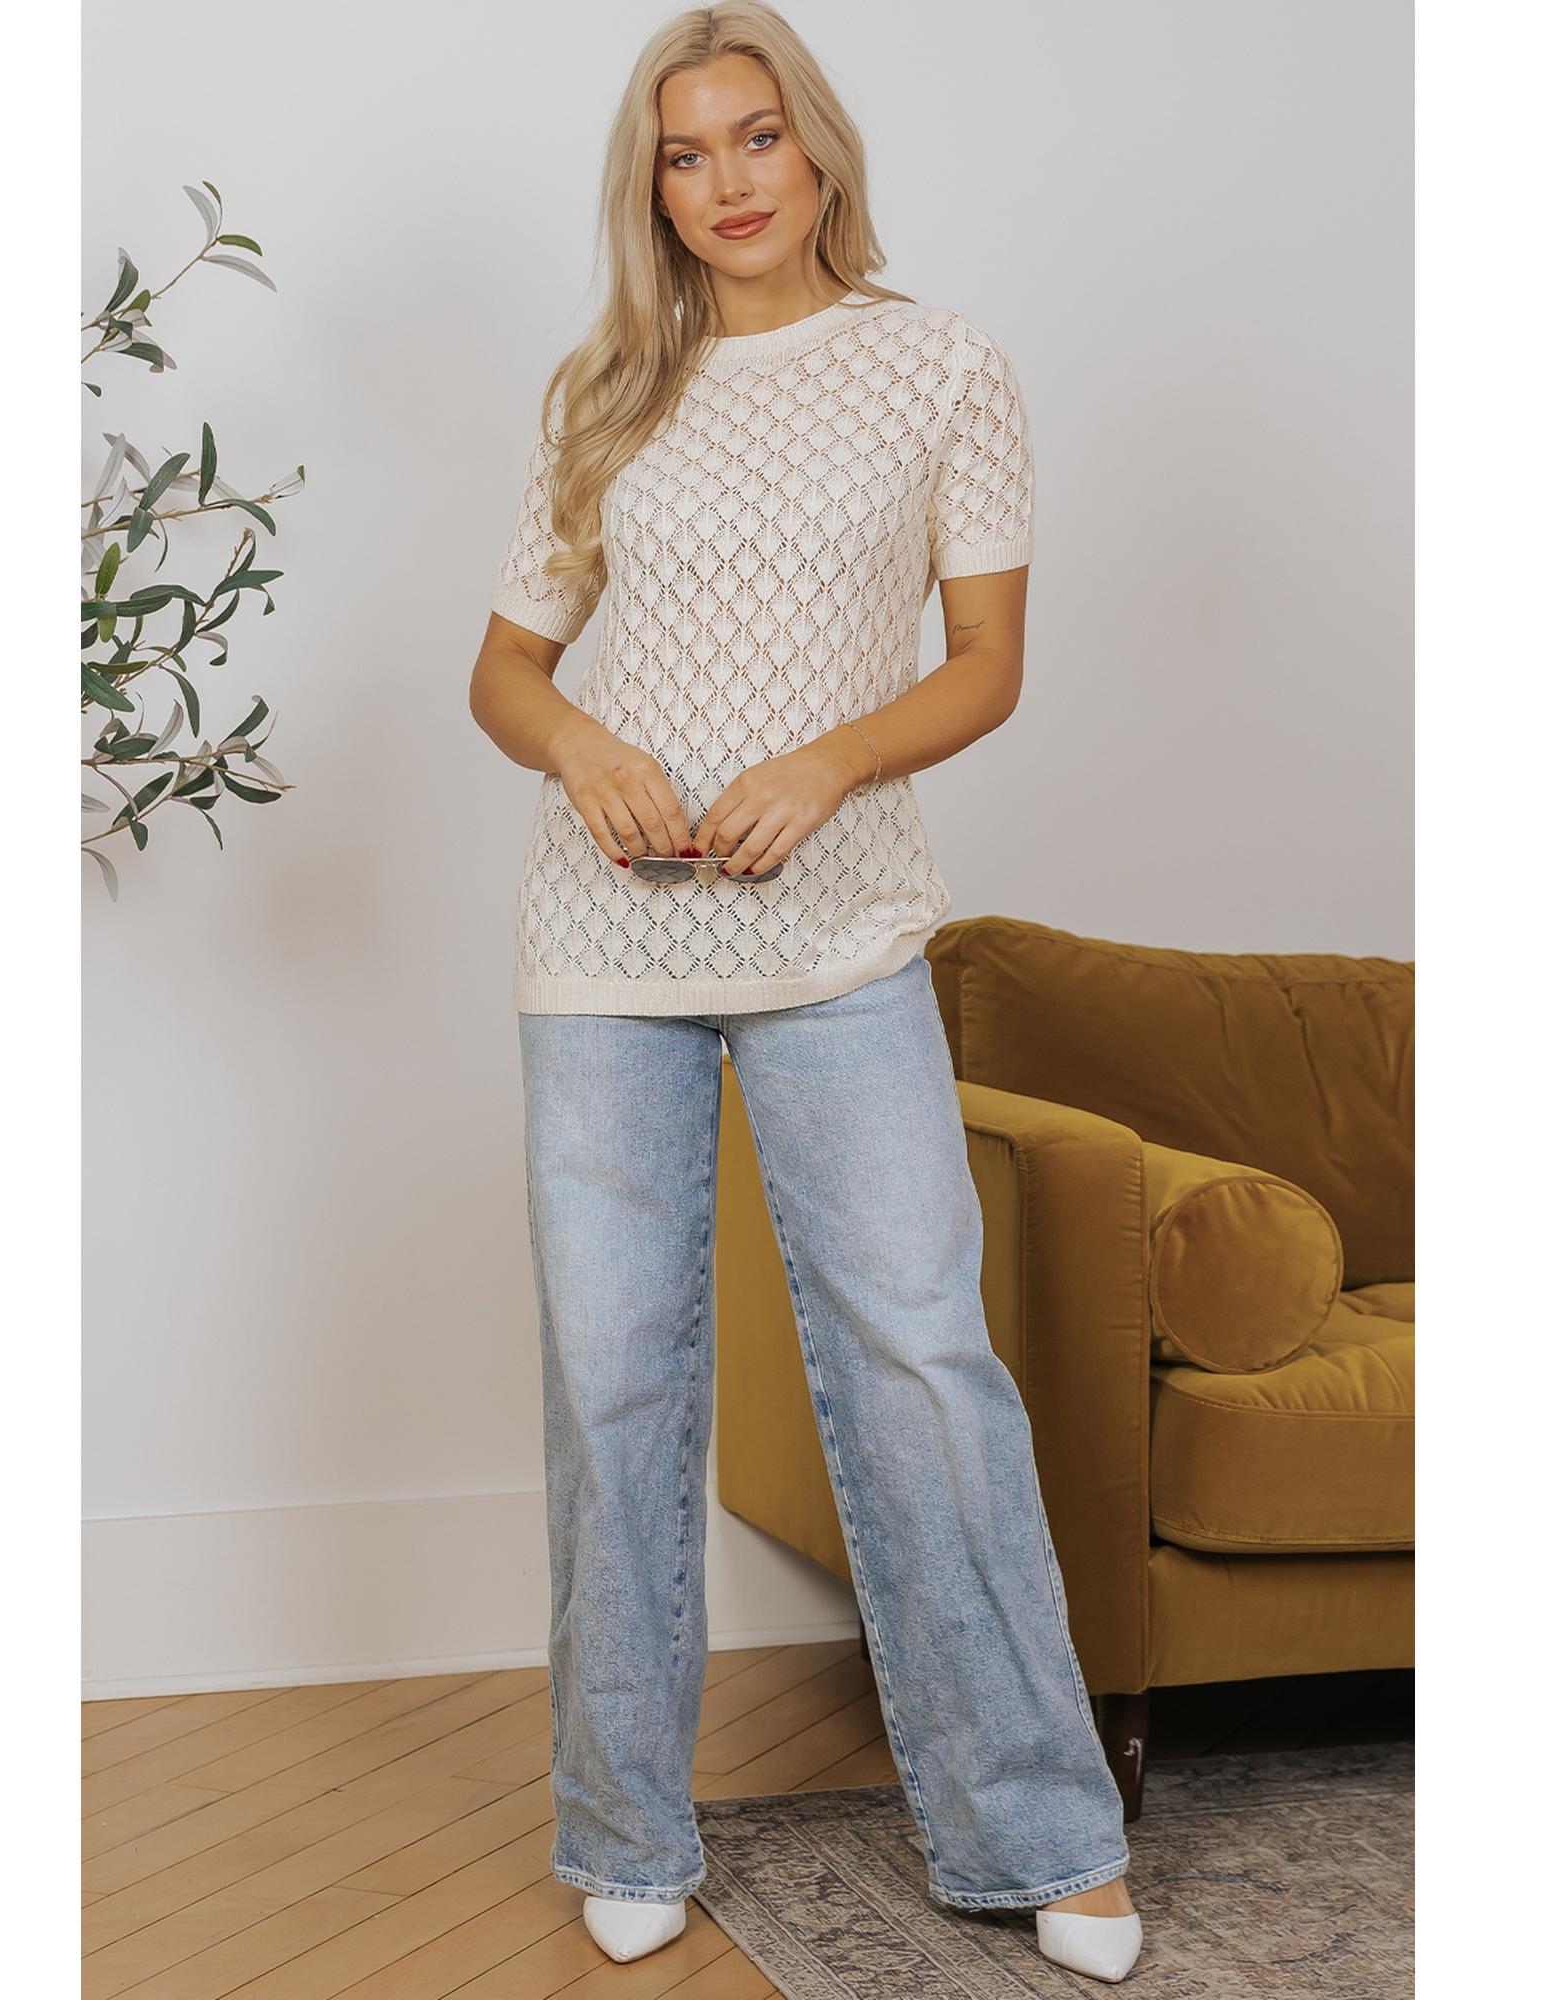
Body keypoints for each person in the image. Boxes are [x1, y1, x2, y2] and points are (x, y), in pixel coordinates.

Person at [469, 3, 1143, 1984]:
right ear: (653, 188)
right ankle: (622, 1822)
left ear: (817, 146)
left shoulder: (942, 367)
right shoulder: (606, 389)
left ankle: (1037, 1828)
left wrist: (827, 762)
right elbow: (504, 669)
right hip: (603, 947)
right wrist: (581, 749)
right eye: (685, 154)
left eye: (755, 135)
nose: (728, 181)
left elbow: (984, 663)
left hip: (839, 931)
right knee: (611, 1377)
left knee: (920, 1356)